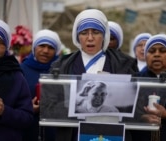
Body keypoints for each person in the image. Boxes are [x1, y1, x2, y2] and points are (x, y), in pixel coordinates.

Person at [41, 9, 138, 141]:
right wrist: (76, 104)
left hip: (112, 135)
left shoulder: (124, 64)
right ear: (77, 37)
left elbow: (134, 105)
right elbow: (49, 106)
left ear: (104, 35)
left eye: (96, 32)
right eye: (84, 33)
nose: (90, 38)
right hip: (72, 135)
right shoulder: (61, 66)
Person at [21, 29, 62, 141]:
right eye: (42, 46)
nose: (45, 51)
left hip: (54, 130)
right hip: (27, 129)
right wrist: (28, 107)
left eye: (50, 48)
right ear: (34, 48)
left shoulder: (62, 70)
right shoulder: (21, 70)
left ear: (57, 51)